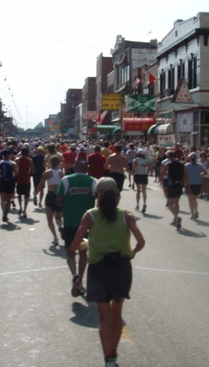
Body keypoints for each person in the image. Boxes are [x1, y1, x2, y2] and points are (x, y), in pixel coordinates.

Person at [68, 177, 145, 367]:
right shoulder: (126, 215)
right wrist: (130, 253)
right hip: (121, 267)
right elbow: (141, 242)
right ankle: (113, 352)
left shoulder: (90, 215)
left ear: (98, 196)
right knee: (117, 314)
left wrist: (89, 244)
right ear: (117, 196)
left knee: (104, 317)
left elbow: (76, 245)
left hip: (99, 268)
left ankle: (108, 360)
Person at [56, 161, 97, 297]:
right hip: (87, 223)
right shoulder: (93, 182)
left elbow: (58, 200)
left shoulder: (66, 180)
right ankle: (80, 279)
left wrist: (67, 204)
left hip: (70, 222)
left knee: (70, 252)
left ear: (74, 167)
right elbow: (98, 199)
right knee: (83, 252)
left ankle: (74, 274)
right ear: (87, 168)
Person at [37, 155, 64, 245]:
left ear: (50, 163)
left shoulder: (47, 173)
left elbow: (41, 185)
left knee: (49, 219)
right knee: (58, 217)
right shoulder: (62, 174)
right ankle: (60, 226)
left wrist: (36, 193)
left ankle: (55, 238)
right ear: (59, 163)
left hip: (50, 195)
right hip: (59, 196)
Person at [161, 150, 188, 229]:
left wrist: (168, 173)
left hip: (172, 184)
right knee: (176, 202)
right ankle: (175, 218)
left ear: (169, 157)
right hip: (179, 184)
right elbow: (185, 175)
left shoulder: (168, 164)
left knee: (169, 203)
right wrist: (185, 185)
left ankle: (176, 217)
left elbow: (162, 173)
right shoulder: (182, 165)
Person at [0, 150, 18, 222]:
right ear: (9, 155)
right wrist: (12, 176)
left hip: (2, 181)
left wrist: (0, 173)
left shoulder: (0, 163)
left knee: (2, 199)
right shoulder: (12, 163)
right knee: (8, 199)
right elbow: (16, 172)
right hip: (10, 181)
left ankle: (4, 211)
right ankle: (6, 214)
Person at [185, 152, 207, 220]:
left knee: (190, 200)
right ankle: (196, 210)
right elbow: (205, 172)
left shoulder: (187, 165)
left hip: (190, 184)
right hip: (198, 183)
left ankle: (192, 214)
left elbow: (185, 175)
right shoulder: (200, 165)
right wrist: (201, 174)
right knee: (194, 199)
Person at [132, 148, 149, 213]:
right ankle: (144, 203)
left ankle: (137, 205)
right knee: (144, 190)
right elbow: (148, 167)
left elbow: (133, 167)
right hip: (144, 175)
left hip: (138, 175)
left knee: (138, 190)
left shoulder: (135, 159)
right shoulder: (145, 160)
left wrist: (134, 171)